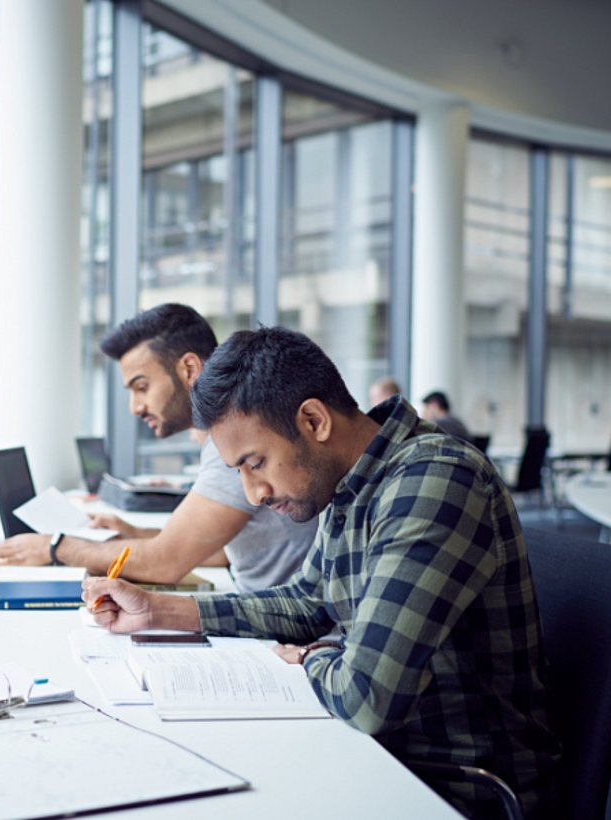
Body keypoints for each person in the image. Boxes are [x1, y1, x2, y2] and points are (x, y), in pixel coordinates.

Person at [84, 326, 558, 818]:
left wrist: (315, 655)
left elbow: (367, 697)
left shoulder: (435, 480)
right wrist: (158, 609)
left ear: (313, 420)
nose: (254, 494)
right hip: (381, 759)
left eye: (256, 463)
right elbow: (306, 603)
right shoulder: (348, 480)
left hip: (454, 788)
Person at [0, 304, 317, 592]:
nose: (135, 407)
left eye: (142, 387)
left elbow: (166, 563)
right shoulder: (224, 439)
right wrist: (136, 533)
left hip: (280, 624)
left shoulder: (233, 440)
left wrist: (55, 547)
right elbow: (221, 550)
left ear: (189, 369)